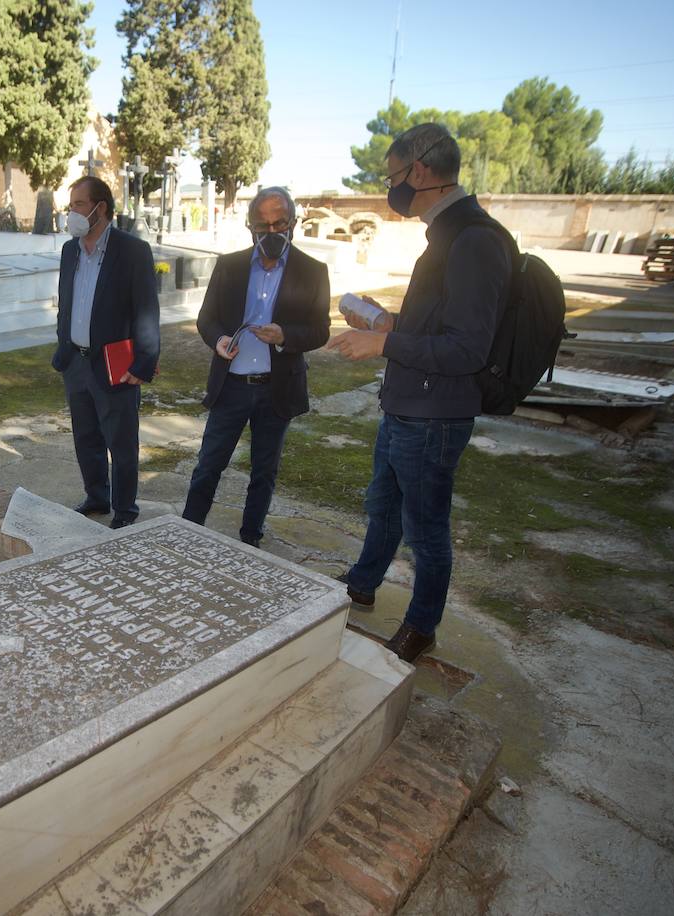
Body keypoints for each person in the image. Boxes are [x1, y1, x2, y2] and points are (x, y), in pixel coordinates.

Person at [326, 122, 512, 663]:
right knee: (383, 506)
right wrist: (390, 325)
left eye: (393, 177)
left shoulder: (475, 239)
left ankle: (421, 625)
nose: (392, 189)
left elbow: (467, 349)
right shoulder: (448, 235)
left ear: (421, 171)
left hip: (435, 414)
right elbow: (440, 324)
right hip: (407, 405)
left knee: (426, 527)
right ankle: (362, 583)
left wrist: (383, 347)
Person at [181, 187, 330, 547]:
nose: (272, 232)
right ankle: (187, 529)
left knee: (264, 472)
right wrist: (217, 340)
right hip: (230, 385)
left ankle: (250, 540)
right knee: (208, 465)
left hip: (276, 389)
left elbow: (320, 330)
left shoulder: (313, 271)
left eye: (280, 223)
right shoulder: (229, 266)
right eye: (263, 226)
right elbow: (207, 319)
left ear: (293, 223)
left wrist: (284, 335)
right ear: (250, 228)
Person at [51, 175, 160, 529]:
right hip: (76, 363)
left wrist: (144, 363)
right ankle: (97, 497)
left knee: (121, 442)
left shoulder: (132, 251)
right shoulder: (70, 251)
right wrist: (62, 347)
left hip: (116, 365)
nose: (72, 213)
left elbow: (146, 311)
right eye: (71, 206)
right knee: (86, 438)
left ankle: (125, 510)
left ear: (101, 209)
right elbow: (65, 304)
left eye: (78, 205)